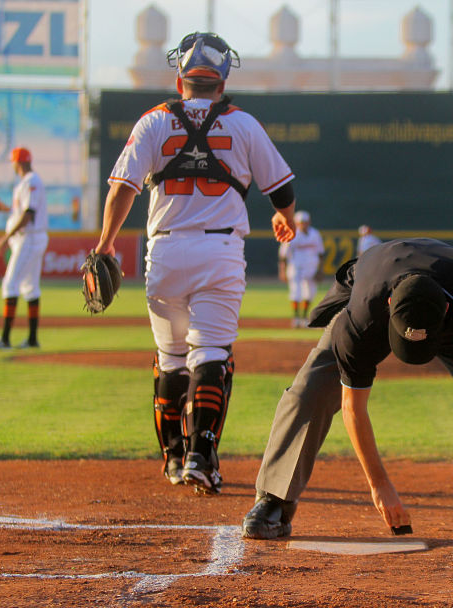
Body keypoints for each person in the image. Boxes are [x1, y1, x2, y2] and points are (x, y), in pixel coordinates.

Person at [93, 31, 298, 495]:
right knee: (211, 354)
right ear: (222, 84)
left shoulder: (153, 121)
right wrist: (285, 216)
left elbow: (123, 187)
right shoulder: (243, 123)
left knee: (171, 359)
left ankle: (171, 458)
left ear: (179, 79)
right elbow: (281, 188)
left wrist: (106, 243)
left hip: (165, 250)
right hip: (219, 251)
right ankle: (200, 459)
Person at [242, 237, 453, 545]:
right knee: (310, 390)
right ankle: (274, 498)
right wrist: (379, 484)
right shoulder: (360, 320)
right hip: (374, 298)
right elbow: (353, 408)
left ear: (444, 309)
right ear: (390, 305)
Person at [0, 147, 48, 350]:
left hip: (29, 239)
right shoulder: (26, 182)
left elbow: (28, 214)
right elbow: (21, 211)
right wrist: (2, 208)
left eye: (13, 162)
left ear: (18, 162)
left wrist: (5, 238)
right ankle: (32, 339)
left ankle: (5, 339)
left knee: (10, 284)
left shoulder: (31, 181)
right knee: (30, 287)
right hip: (31, 238)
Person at [278, 210, 325, 328]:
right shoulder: (291, 234)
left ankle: (304, 318)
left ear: (309, 222)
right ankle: (296, 318)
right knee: (296, 292)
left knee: (310, 292)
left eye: (305, 222)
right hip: (296, 266)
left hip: (311, 267)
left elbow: (321, 253)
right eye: (300, 222)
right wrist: (282, 270)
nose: (303, 224)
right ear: (296, 222)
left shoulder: (315, 234)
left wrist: (320, 270)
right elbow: (283, 255)